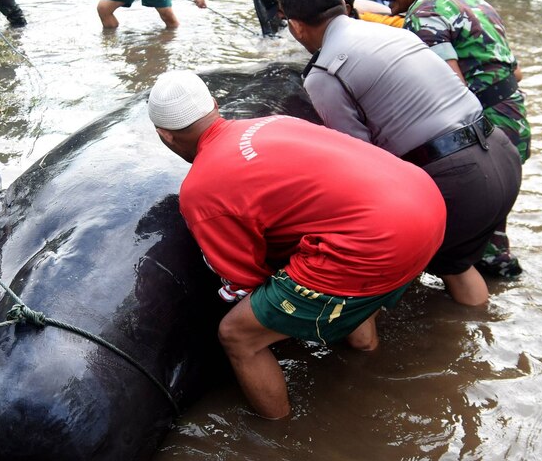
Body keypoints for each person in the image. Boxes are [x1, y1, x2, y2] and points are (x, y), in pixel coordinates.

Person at [148, 69, 446, 420]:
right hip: (425, 206)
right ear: (214, 105)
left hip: (375, 241)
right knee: (337, 249)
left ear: (165, 136)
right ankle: (365, 350)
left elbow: (244, 282)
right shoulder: (275, 122)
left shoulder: (201, 189)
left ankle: (279, 431)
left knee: (238, 335)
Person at [279, 0, 522, 307]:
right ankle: (479, 342)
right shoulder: (398, 33)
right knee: (456, 264)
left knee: (379, 268)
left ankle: (379, 349)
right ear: (344, 6)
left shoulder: (323, 74)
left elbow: (360, 162)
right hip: (502, 155)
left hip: (459, 180)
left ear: (296, 25)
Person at [362, 0, 530, 278]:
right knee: (491, 227)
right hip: (512, 123)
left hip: (482, 135)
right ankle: (501, 291)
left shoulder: (424, 14)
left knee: (459, 241)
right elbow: (518, 72)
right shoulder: (470, 0)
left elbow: (449, 92)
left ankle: (473, 303)